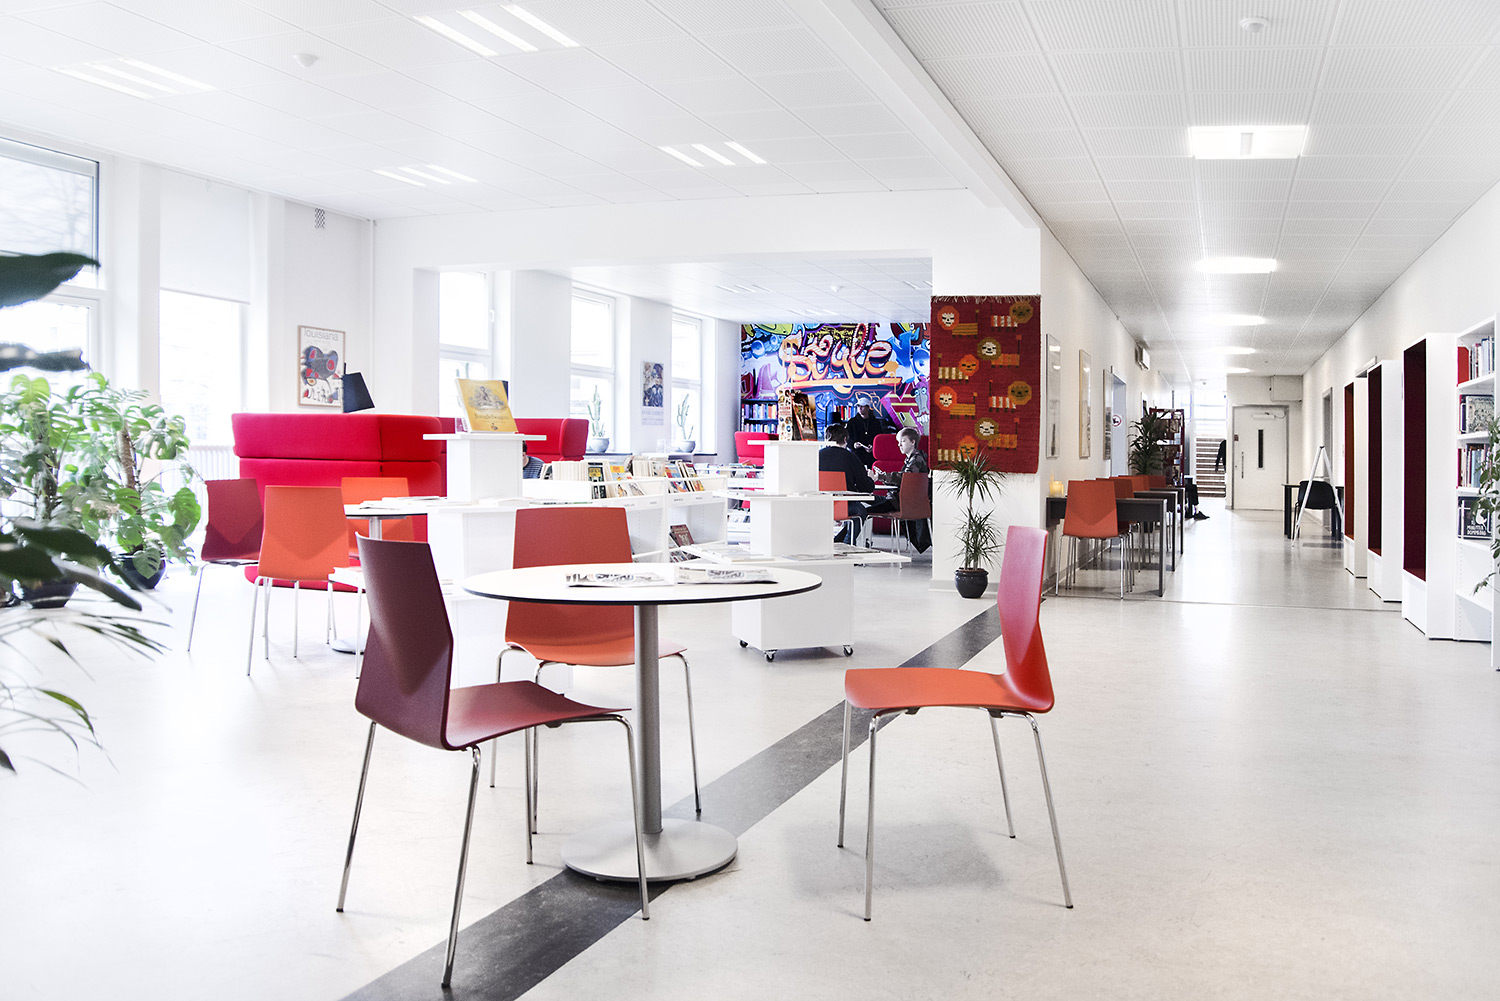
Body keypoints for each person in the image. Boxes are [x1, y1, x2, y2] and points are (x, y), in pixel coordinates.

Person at [862, 427, 931, 552]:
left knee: (863, 511)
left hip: (900, 503)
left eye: (903, 441)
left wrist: (880, 477)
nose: (899, 445)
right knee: (870, 500)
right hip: (898, 500)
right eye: (898, 442)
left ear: (913, 442)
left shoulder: (916, 459)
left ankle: (849, 542)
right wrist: (883, 477)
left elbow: (905, 478)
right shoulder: (914, 458)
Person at [819, 424, 873, 543]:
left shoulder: (817, 456)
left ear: (826, 438)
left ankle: (838, 541)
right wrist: (871, 478)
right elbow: (866, 487)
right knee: (860, 511)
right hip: (843, 507)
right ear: (845, 439)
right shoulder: (851, 457)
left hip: (819, 506)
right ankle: (847, 543)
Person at [846, 396, 895, 465]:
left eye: (862, 406)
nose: (860, 408)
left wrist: (873, 446)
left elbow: (879, 438)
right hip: (857, 455)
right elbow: (847, 438)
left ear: (868, 407)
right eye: (858, 406)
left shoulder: (875, 422)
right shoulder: (852, 422)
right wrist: (853, 444)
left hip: (871, 456)